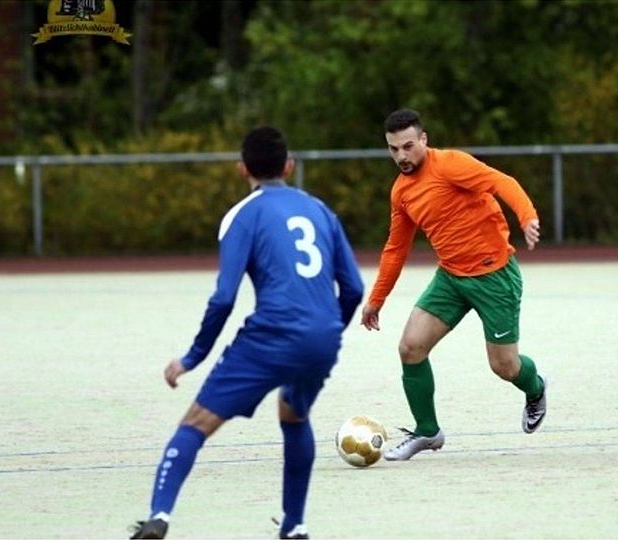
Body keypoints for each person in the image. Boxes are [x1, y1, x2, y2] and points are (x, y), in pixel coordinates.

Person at [129, 127, 364, 539]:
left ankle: (159, 516)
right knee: (294, 413)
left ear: (242, 169)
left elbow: (224, 298)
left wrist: (193, 357)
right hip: (322, 339)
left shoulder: (243, 215)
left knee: (195, 423)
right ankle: (295, 526)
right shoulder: (321, 210)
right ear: (289, 166)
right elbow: (355, 288)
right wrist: (328, 332)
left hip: (270, 337)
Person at [360, 108, 547, 461]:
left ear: (424, 140)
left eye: (408, 146)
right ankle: (428, 431)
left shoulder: (450, 165)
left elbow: (501, 182)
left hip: (494, 277)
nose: (401, 155)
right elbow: (396, 247)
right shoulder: (401, 192)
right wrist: (376, 298)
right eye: (393, 149)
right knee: (410, 347)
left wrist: (527, 217)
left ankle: (536, 388)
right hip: (450, 278)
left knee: (504, 367)